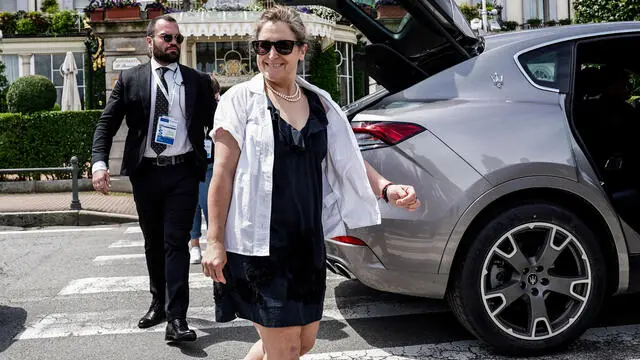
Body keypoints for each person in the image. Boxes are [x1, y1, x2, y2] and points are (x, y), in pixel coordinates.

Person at [201, 6, 420, 360]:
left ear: (302, 50)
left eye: (283, 46)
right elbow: (221, 175)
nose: (272, 55)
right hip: (260, 246)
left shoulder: (320, 103)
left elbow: (347, 158)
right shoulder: (238, 101)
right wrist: (214, 241)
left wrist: (385, 187)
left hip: (307, 244)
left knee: (303, 343)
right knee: (285, 350)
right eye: (263, 46)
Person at [91, 15, 214, 342]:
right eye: (166, 38)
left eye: (178, 39)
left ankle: (177, 319)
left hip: (183, 173)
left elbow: (217, 123)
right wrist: (99, 163)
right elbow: (107, 123)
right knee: (153, 242)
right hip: (146, 174)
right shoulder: (130, 79)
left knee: (176, 243)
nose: (173, 43)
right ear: (150, 41)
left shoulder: (197, 81)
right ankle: (158, 302)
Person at [189, 75, 221, 264]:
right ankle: (194, 244)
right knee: (193, 206)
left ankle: (211, 243)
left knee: (210, 205)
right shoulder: (192, 109)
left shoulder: (219, 110)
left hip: (212, 164)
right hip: (193, 163)